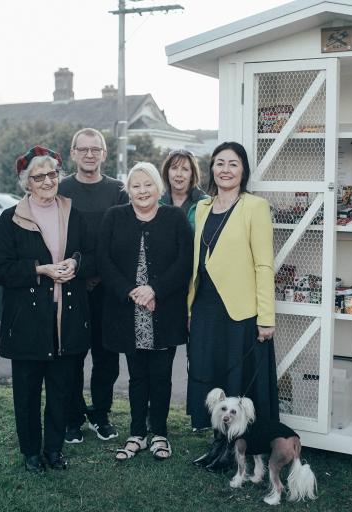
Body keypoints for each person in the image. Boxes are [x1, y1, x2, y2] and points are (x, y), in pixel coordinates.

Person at [0, 145, 93, 472]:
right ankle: (31, 453)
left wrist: (76, 263)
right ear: (26, 182)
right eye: (39, 176)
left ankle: (54, 450)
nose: (48, 181)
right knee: (28, 393)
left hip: (67, 319)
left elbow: (89, 253)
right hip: (28, 323)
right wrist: (39, 269)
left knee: (61, 391)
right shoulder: (11, 218)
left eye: (52, 174)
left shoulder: (73, 213)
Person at [186, 141, 279, 472]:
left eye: (233, 164)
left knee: (237, 378)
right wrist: (189, 308)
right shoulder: (202, 207)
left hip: (240, 311)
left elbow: (264, 265)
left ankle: (238, 448)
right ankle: (217, 442)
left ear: (243, 171)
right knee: (210, 376)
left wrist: (266, 317)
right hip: (205, 308)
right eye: (219, 163)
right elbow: (199, 261)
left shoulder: (255, 207)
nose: (225, 169)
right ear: (212, 169)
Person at [97, 162, 192, 461]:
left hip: (163, 310)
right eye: (136, 185)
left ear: (158, 188)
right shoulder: (115, 217)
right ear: (129, 189)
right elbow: (104, 260)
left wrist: (154, 290)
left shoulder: (174, 217)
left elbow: (185, 262)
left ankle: (160, 433)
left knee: (162, 375)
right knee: (137, 376)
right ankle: (136, 432)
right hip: (128, 312)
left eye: (147, 184)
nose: (142, 191)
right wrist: (132, 291)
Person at [58, 128, 128, 444]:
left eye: (95, 149)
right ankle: (73, 418)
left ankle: (100, 415)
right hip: (71, 287)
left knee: (106, 358)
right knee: (71, 357)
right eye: (83, 149)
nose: (89, 154)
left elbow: (122, 241)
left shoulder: (118, 191)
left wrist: (100, 272)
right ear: (73, 153)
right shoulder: (59, 189)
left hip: (108, 288)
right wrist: (79, 270)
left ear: (104, 153)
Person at [159, 149, 208, 230]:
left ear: (192, 174)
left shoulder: (207, 203)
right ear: (167, 172)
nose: (179, 174)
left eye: (185, 169)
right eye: (174, 168)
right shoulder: (156, 203)